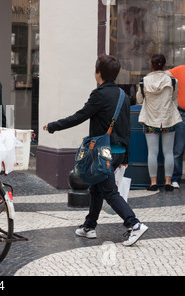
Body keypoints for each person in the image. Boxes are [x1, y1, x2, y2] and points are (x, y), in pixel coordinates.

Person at [43, 54, 148, 246]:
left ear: (98, 73)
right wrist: (126, 156)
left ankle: (134, 225)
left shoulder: (99, 95)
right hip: (117, 152)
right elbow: (126, 128)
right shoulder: (123, 95)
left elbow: (79, 116)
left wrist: (53, 126)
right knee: (97, 188)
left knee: (110, 192)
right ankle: (89, 226)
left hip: (103, 153)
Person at [136, 54, 182, 191]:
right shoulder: (173, 81)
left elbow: (139, 100)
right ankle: (168, 182)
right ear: (164, 65)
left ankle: (153, 182)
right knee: (168, 152)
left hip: (150, 119)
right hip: (168, 118)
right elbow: (173, 97)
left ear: (152, 65)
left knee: (152, 152)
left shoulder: (144, 81)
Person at [167, 65, 185, 189]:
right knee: (178, 149)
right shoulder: (180, 69)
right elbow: (163, 73)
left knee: (178, 149)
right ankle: (175, 178)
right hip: (182, 114)